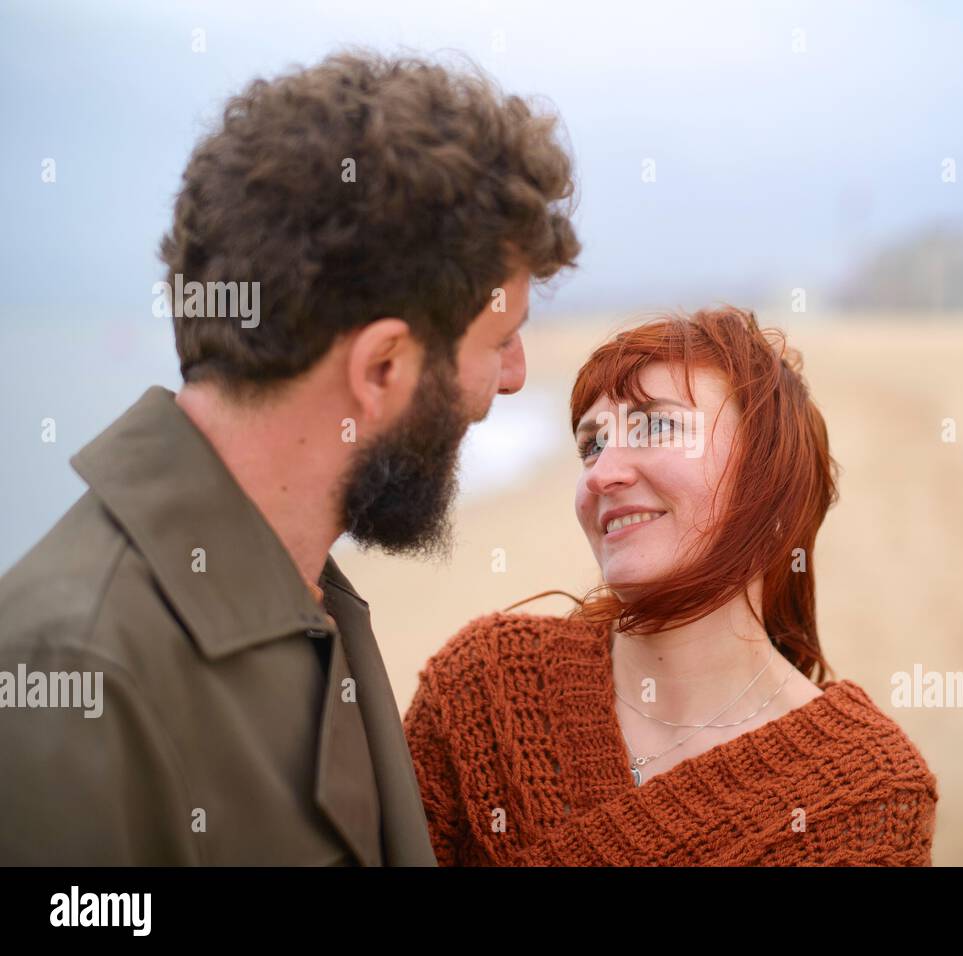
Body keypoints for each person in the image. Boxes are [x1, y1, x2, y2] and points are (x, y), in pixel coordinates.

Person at [0, 49, 580, 865]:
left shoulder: (307, 589)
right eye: (501, 339)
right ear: (382, 368)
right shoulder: (68, 675)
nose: (515, 378)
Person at [403, 305, 939, 865]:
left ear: (770, 475)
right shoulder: (485, 687)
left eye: (657, 426)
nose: (601, 473)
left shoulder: (866, 791)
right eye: (592, 444)